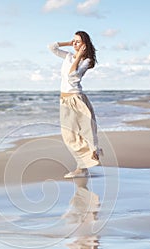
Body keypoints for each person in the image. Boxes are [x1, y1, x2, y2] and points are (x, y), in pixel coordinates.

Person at [48, 31, 102, 179]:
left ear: (85, 44)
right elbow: (51, 47)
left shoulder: (87, 61)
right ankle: (84, 164)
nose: (75, 44)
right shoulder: (68, 56)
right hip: (64, 100)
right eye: (74, 41)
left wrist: (78, 56)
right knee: (68, 135)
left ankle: (82, 167)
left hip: (76, 99)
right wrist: (68, 43)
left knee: (82, 133)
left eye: (78, 42)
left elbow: (73, 76)